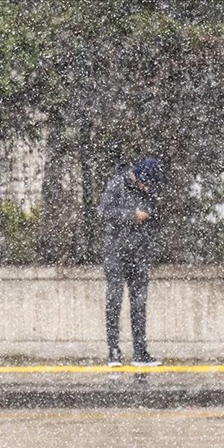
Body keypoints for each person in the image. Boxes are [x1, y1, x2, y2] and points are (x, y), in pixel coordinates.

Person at [97, 157, 163, 367]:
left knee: (139, 303)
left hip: (139, 253)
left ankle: (140, 351)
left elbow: (154, 218)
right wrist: (131, 215)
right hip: (116, 252)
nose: (147, 188)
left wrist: (150, 247)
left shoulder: (149, 190)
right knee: (114, 300)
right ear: (137, 177)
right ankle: (114, 350)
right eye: (146, 183)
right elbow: (103, 212)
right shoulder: (117, 184)